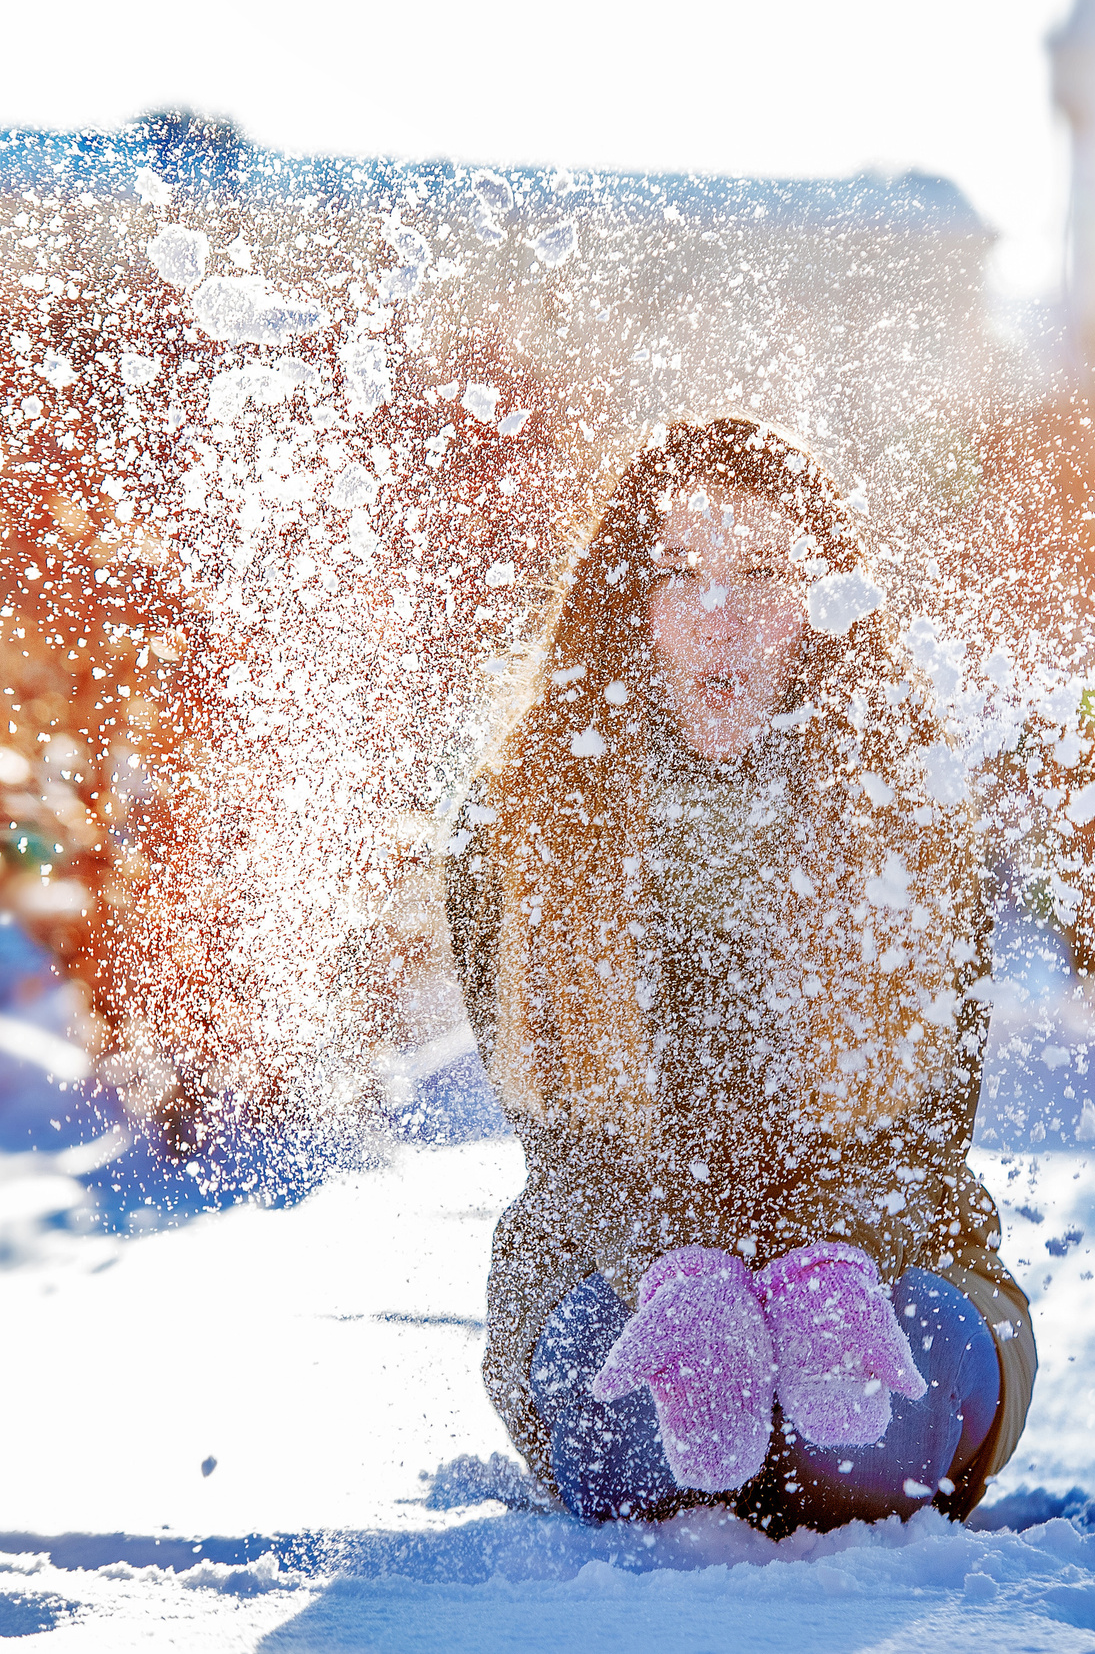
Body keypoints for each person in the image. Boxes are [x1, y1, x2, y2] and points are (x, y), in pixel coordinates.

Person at [444, 416, 1035, 1532]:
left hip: (901, 1260)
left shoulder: (911, 808)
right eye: (682, 574)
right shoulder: (518, 823)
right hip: (599, 1266)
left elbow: (921, 1136)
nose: (722, 616)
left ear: (822, 603)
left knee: (858, 1452)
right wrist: (676, 1265)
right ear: (633, 604)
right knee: (649, 1455)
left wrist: (826, 1262)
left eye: (764, 572)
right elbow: (558, 1139)